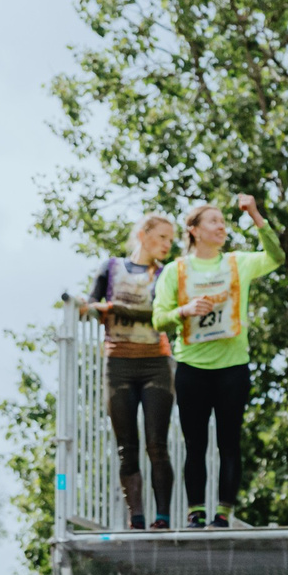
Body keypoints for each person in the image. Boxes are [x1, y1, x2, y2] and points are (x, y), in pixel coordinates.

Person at [153, 194, 284, 528]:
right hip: (192, 367)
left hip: (232, 368)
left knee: (230, 441)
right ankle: (196, 512)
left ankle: (223, 514)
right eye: (213, 221)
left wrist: (255, 214)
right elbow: (159, 320)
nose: (221, 226)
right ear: (194, 230)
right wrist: (185, 310)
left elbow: (276, 256)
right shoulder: (175, 271)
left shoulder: (238, 263)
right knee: (195, 444)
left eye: (224, 222)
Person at [83, 215, 178, 529]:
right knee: (127, 447)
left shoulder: (166, 276)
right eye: (162, 237)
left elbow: (160, 315)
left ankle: (162, 517)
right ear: (144, 234)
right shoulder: (110, 268)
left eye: (170, 240)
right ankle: (135, 517)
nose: (167, 245)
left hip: (155, 364)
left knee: (157, 444)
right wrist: (93, 308)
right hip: (119, 364)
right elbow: (91, 305)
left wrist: (115, 310)